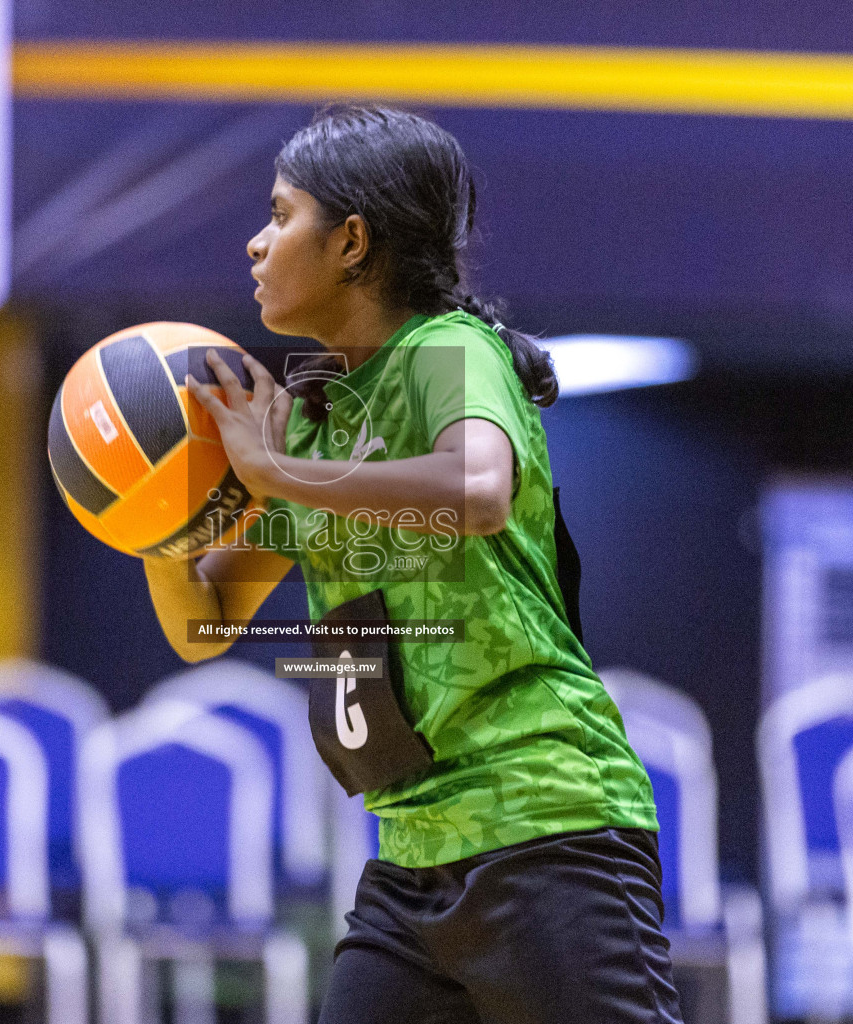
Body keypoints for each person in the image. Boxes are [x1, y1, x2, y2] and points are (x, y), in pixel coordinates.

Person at [143, 105, 681, 1023]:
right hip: (411, 854)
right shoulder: (314, 422)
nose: (254, 243)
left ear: (352, 241)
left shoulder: (447, 349)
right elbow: (202, 622)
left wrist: (273, 470)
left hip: (544, 822)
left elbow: (477, 491)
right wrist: (160, 506)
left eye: (280, 216)